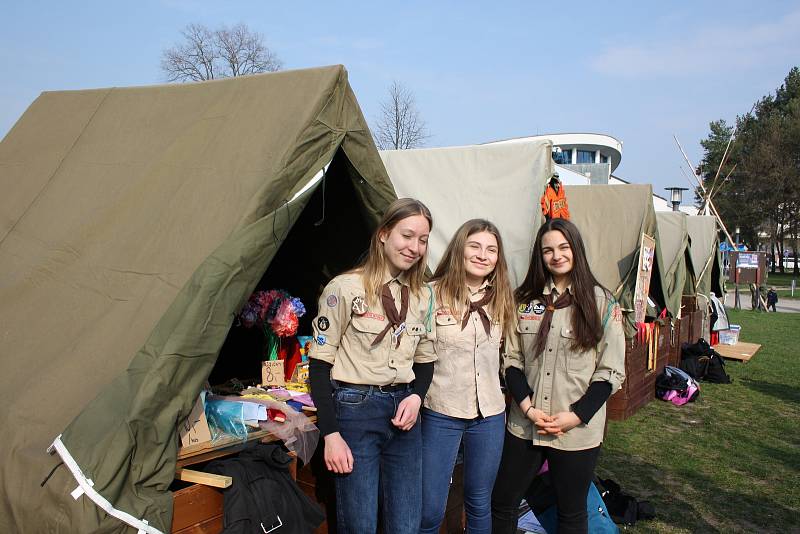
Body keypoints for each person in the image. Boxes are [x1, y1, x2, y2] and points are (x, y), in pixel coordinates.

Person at [308, 198, 437, 534]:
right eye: (407, 236)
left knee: (406, 524)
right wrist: (331, 434)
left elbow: (425, 360)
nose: (414, 247)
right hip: (356, 412)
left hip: (405, 416)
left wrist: (417, 397)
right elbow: (319, 365)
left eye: (422, 240)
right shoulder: (346, 288)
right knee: (360, 524)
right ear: (383, 234)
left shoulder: (422, 296)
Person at [491, 218, 625, 534]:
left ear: (575, 249)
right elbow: (511, 360)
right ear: (540, 255)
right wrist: (527, 408)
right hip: (526, 424)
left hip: (575, 430)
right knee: (503, 501)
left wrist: (575, 417)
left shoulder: (601, 302)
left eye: (563, 247)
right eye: (548, 249)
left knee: (571, 511)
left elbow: (611, 371)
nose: (556, 255)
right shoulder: (524, 300)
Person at [420, 219, 516, 534]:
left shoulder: (503, 297)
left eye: (491, 249)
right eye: (474, 246)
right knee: (430, 507)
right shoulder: (431, 294)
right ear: (460, 249)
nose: (482, 255)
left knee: (478, 503)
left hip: (488, 414)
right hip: (441, 411)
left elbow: (512, 355)